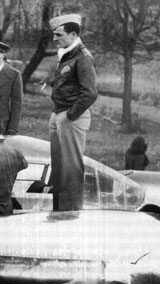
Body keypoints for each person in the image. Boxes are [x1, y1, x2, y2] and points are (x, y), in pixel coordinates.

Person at [47, 14, 98, 211]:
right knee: (59, 169)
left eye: (59, 34)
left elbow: (90, 93)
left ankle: (71, 214)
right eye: (54, 35)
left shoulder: (83, 58)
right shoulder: (67, 54)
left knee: (71, 170)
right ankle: (59, 211)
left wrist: (70, 115)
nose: (54, 39)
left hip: (71, 117)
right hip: (59, 114)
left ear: (73, 34)